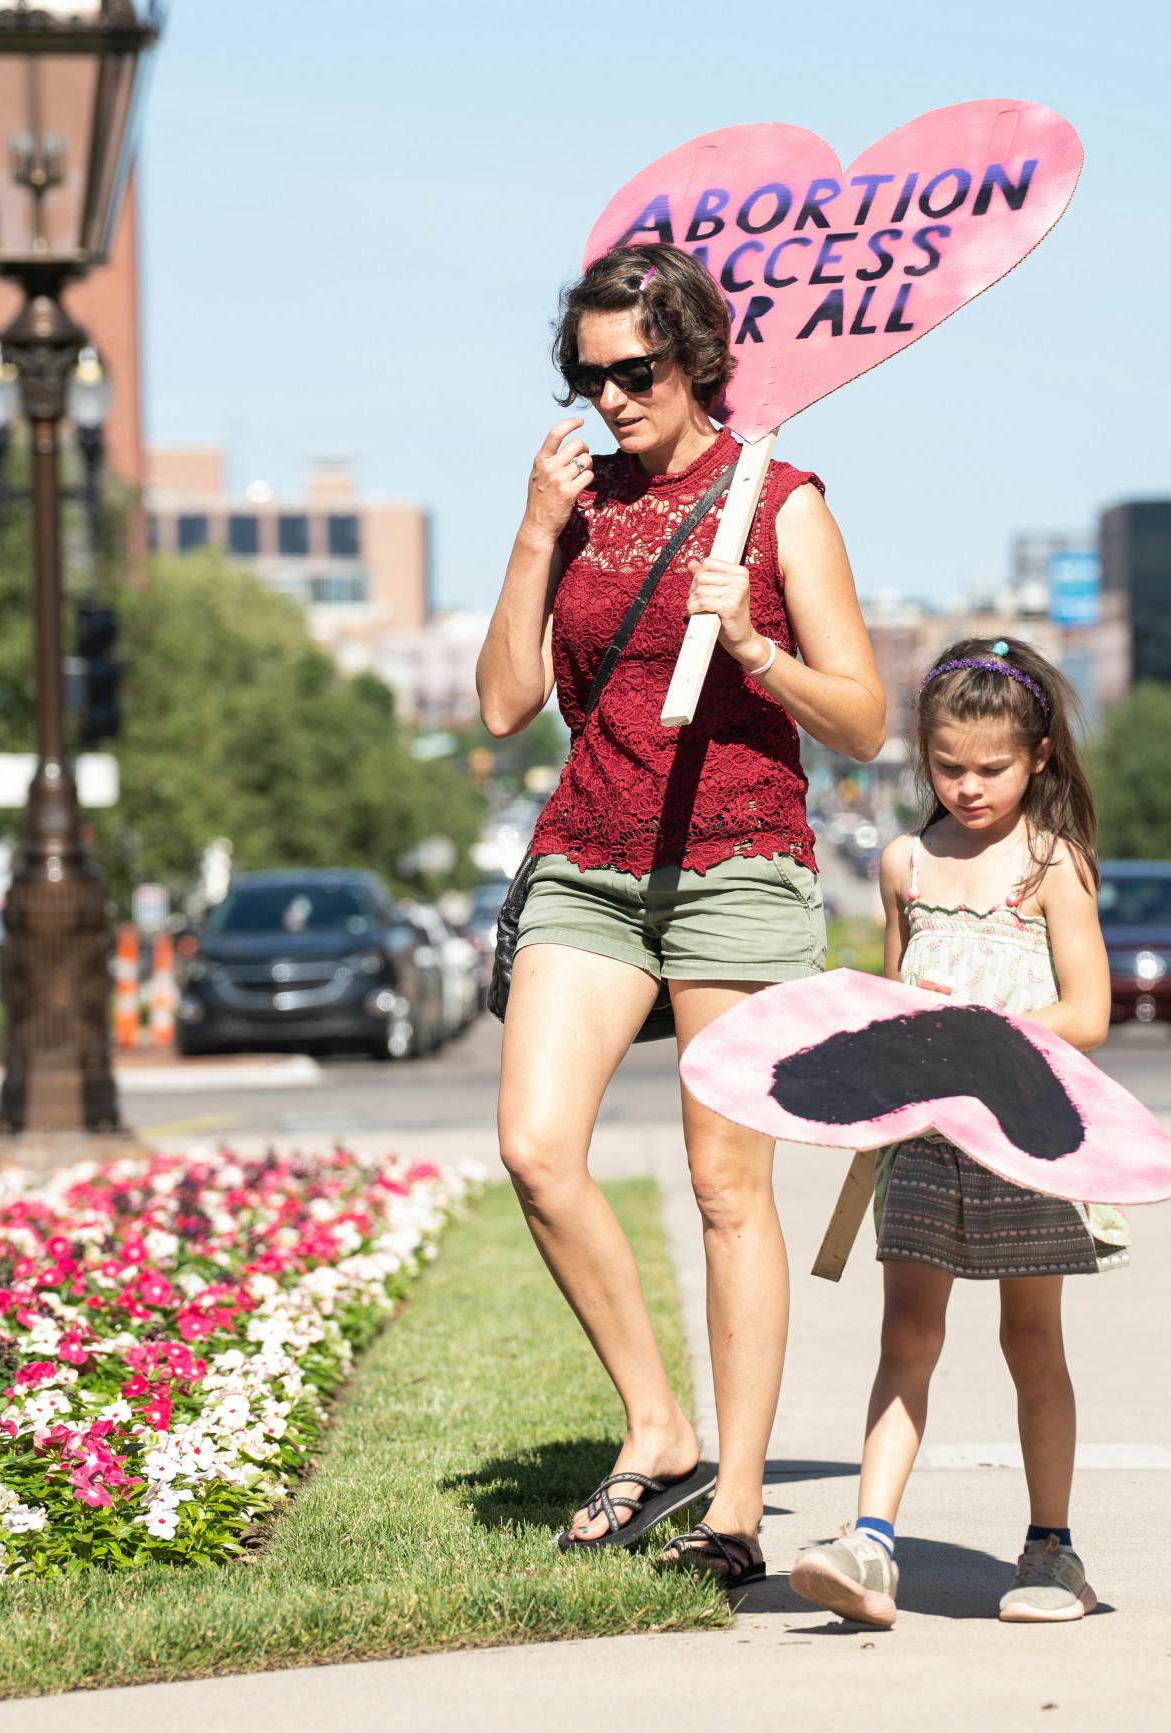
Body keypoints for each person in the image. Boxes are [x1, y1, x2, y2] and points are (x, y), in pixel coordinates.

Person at [476, 243, 885, 1587]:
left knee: (726, 1189)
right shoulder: (582, 506)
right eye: (588, 377)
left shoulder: (781, 502)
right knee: (537, 1148)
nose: (610, 399)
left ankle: (738, 1513)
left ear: (699, 359)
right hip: (590, 862)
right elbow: (496, 705)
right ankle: (658, 1430)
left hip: (733, 866)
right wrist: (538, 529)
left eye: (635, 371)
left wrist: (756, 646)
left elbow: (867, 723)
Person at [788, 637, 1121, 1627]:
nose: (968, 787)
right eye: (948, 767)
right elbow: (896, 998)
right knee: (906, 1336)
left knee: (1032, 1341)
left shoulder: (1052, 867)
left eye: (991, 768)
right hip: (924, 1145)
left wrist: (982, 1038)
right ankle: (871, 1545)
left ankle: (1051, 1551)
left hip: (1021, 1134)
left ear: (1039, 759)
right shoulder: (904, 862)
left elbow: (1089, 1010)